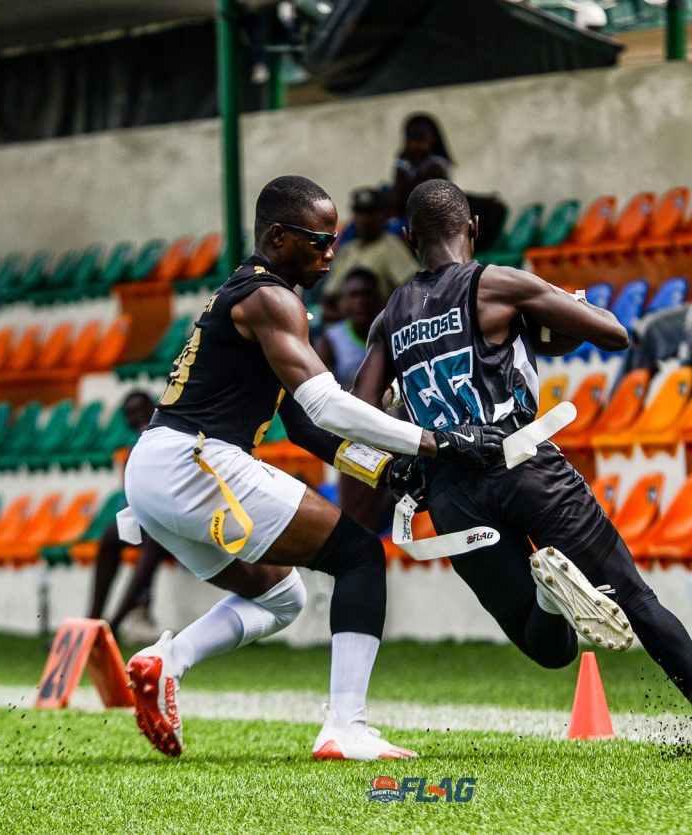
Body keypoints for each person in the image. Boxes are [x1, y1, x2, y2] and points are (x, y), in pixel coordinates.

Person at [352, 179, 692, 760]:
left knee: (545, 645)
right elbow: (615, 331)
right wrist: (556, 306)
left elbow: (358, 418)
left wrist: (399, 453)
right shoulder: (499, 284)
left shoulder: (388, 318)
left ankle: (550, 598)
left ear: (408, 238)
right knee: (632, 595)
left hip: (451, 497)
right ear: (472, 227)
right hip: (524, 460)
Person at [122, 175, 505, 761]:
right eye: (318, 241)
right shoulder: (274, 299)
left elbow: (304, 428)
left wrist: (383, 471)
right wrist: (433, 443)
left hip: (158, 471)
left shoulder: (250, 294)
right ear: (277, 236)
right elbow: (326, 405)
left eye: (334, 241)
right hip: (195, 460)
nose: (331, 254)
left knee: (282, 598)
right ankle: (344, 727)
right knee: (358, 555)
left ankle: (166, 662)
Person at [88, 390, 172, 643]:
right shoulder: (133, 451)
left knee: (155, 539)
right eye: (131, 413)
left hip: (180, 523)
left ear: (154, 409)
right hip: (154, 523)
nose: (139, 417)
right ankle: (93, 622)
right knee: (111, 534)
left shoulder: (169, 437)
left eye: (143, 409)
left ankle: (113, 626)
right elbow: (132, 497)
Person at [315, 267, 393, 532]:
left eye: (366, 294)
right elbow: (320, 398)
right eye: (354, 295)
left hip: (395, 427)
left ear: (379, 299)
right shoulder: (330, 342)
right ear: (344, 302)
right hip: (353, 435)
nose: (360, 301)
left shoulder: (392, 334)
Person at [319, 187, 417, 322]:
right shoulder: (347, 250)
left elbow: (412, 290)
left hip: (376, 328)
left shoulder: (390, 245)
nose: (365, 219)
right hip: (345, 329)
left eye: (371, 213)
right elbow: (329, 297)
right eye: (361, 213)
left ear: (382, 215)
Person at [390, 113, 453, 220]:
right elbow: (396, 200)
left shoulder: (438, 164)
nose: (416, 141)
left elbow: (418, 196)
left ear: (433, 137)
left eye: (420, 135)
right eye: (412, 136)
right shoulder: (405, 161)